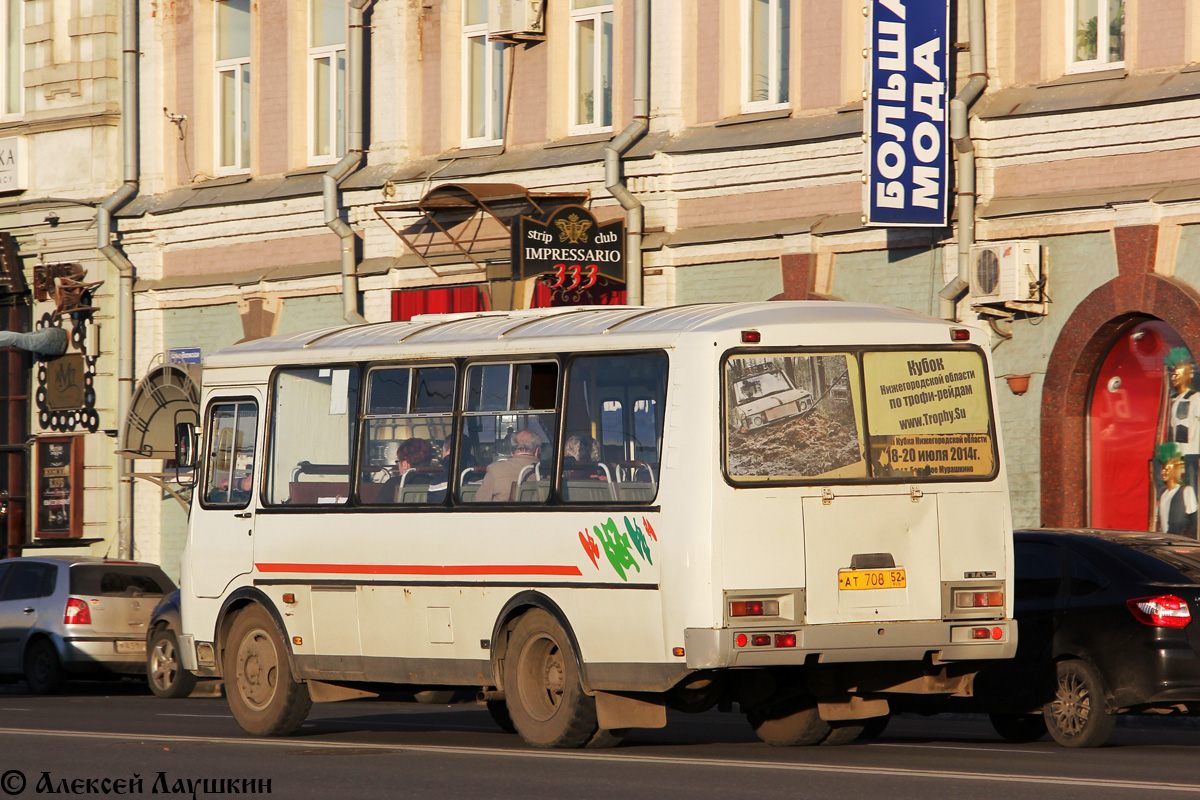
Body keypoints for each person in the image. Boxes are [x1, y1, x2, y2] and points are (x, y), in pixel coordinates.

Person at [1165, 348, 1200, 496]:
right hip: (1177, 454)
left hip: (1192, 452)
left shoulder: (1195, 398)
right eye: (1172, 374)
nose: (1173, 378)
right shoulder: (1172, 401)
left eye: (1177, 374)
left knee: (1192, 488)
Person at [473, 428, 540, 502]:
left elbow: (480, 503)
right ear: (537, 451)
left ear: (512, 452)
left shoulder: (495, 470)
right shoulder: (550, 473)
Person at [382, 438, 446, 502]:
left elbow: (379, 508)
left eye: (398, 461)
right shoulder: (436, 484)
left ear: (404, 464)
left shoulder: (392, 484)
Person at [1156, 442, 1197, 537]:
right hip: (1165, 540)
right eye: (1162, 469)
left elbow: (1193, 520)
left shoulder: (1186, 491)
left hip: (1180, 541)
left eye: (1167, 469)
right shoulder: (1162, 493)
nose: (1163, 472)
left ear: (1174, 470)